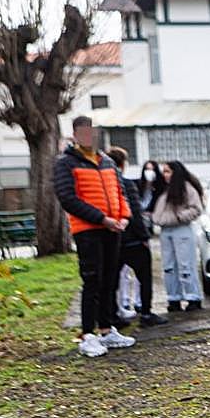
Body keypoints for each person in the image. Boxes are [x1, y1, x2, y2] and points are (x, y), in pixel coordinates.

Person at [53, 116, 137, 358]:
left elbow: (121, 192)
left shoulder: (107, 161)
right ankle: (88, 334)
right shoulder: (66, 163)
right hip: (88, 230)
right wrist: (101, 218)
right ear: (75, 135)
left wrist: (124, 217)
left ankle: (106, 329)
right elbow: (68, 198)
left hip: (113, 229)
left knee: (110, 279)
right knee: (92, 280)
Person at [107, 147, 168, 328]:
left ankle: (112, 315)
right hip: (133, 239)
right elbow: (134, 212)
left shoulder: (103, 185)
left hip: (112, 239)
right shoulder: (127, 184)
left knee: (112, 280)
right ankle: (146, 313)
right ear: (122, 164)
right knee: (144, 277)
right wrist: (144, 237)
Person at [152, 161, 205, 312]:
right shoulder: (164, 189)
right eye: (164, 171)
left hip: (181, 229)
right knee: (169, 266)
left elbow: (196, 209)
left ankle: (193, 297)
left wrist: (179, 217)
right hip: (166, 230)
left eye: (168, 171)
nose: (165, 175)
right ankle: (173, 297)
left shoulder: (187, 189)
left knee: (185, 264)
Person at [137, 159, 165, 234]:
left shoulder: (161, 186)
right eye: (147, 169)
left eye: (152, 169)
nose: (149, 172)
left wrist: (152, 212)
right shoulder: (139, 184)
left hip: (153, 215)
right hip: (142, 215)